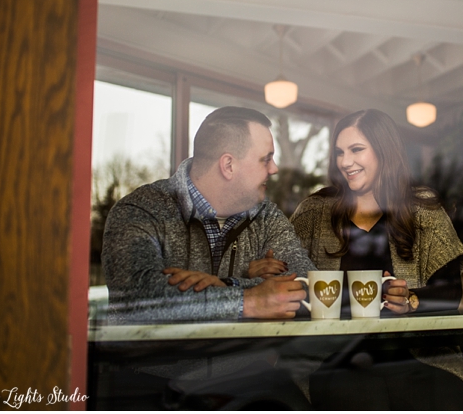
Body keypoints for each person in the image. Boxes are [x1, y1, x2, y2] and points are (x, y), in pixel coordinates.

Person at [290, 109, 463, 410]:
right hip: (334, 360)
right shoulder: (315, 211)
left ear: (384, 151)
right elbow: (287, 283)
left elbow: (450, 292)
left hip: (417, 358)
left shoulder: (423, 209)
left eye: (356, 150)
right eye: (340, 152)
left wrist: (411, 301)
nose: (345, 162)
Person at [102, 106, 314, 323]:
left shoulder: (266, 216)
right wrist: (249, 301)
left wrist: (229, 284)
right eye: (266, 159)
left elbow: (313, 289)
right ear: (228, 165)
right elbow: (141, 296)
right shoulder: (141, 210)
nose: (274, 169)